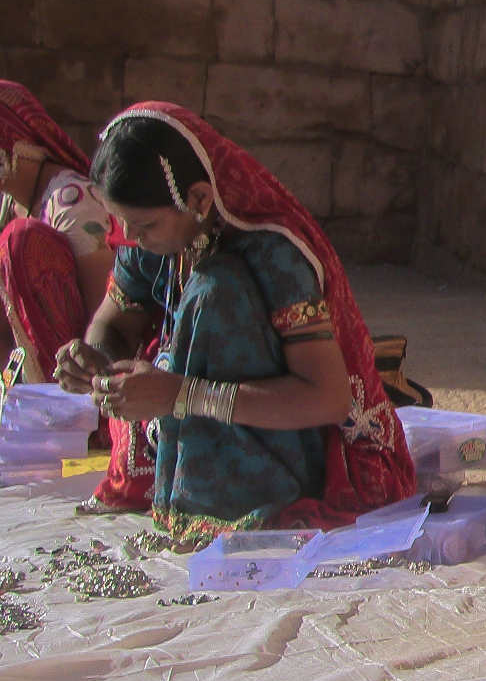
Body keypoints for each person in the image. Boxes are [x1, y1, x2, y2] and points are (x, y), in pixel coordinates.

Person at [52, 102, 415, 547]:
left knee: (215, 291)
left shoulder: (273, 254)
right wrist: (97, 362)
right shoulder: (147, 240)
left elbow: (328, 399)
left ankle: (230, 499)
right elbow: (111, 325)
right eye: (122, 222)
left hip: (284, 440)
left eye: (143, 224)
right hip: (173, 407)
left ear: (199, 199)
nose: (130, 238)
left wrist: (181, 395)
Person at [0, 81, 117, 384]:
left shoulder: (71, 200)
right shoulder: (10, 204)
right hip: (21, 366)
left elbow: (102, 309)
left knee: (21, 240)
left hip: (78, 371)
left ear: (12, 143)